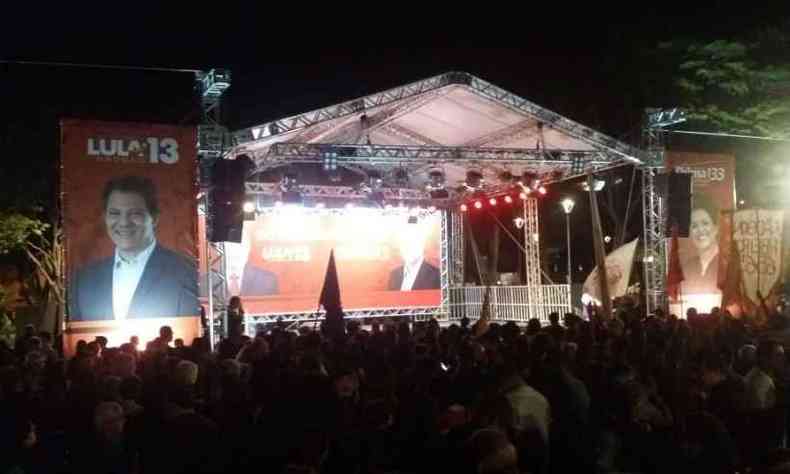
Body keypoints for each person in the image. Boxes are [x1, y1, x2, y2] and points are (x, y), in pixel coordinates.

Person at [69, 175, 199, 321]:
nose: (124, 222)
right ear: (105, 217)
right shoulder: (84, 279)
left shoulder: (185, 273)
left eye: (135, 213)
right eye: (115, 213)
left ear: (154, 218)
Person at [680, 194, 722, 297]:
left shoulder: (727, 264)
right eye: (694, 226)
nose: (700, 230)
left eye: (705, 223)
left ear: (716, 228)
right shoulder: (687, 268)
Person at [388, 221, 440, 291]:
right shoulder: (394, 275)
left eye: (412, 242)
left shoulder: (436, 275)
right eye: (404, 243)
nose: (408, 247)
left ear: (422, 244)